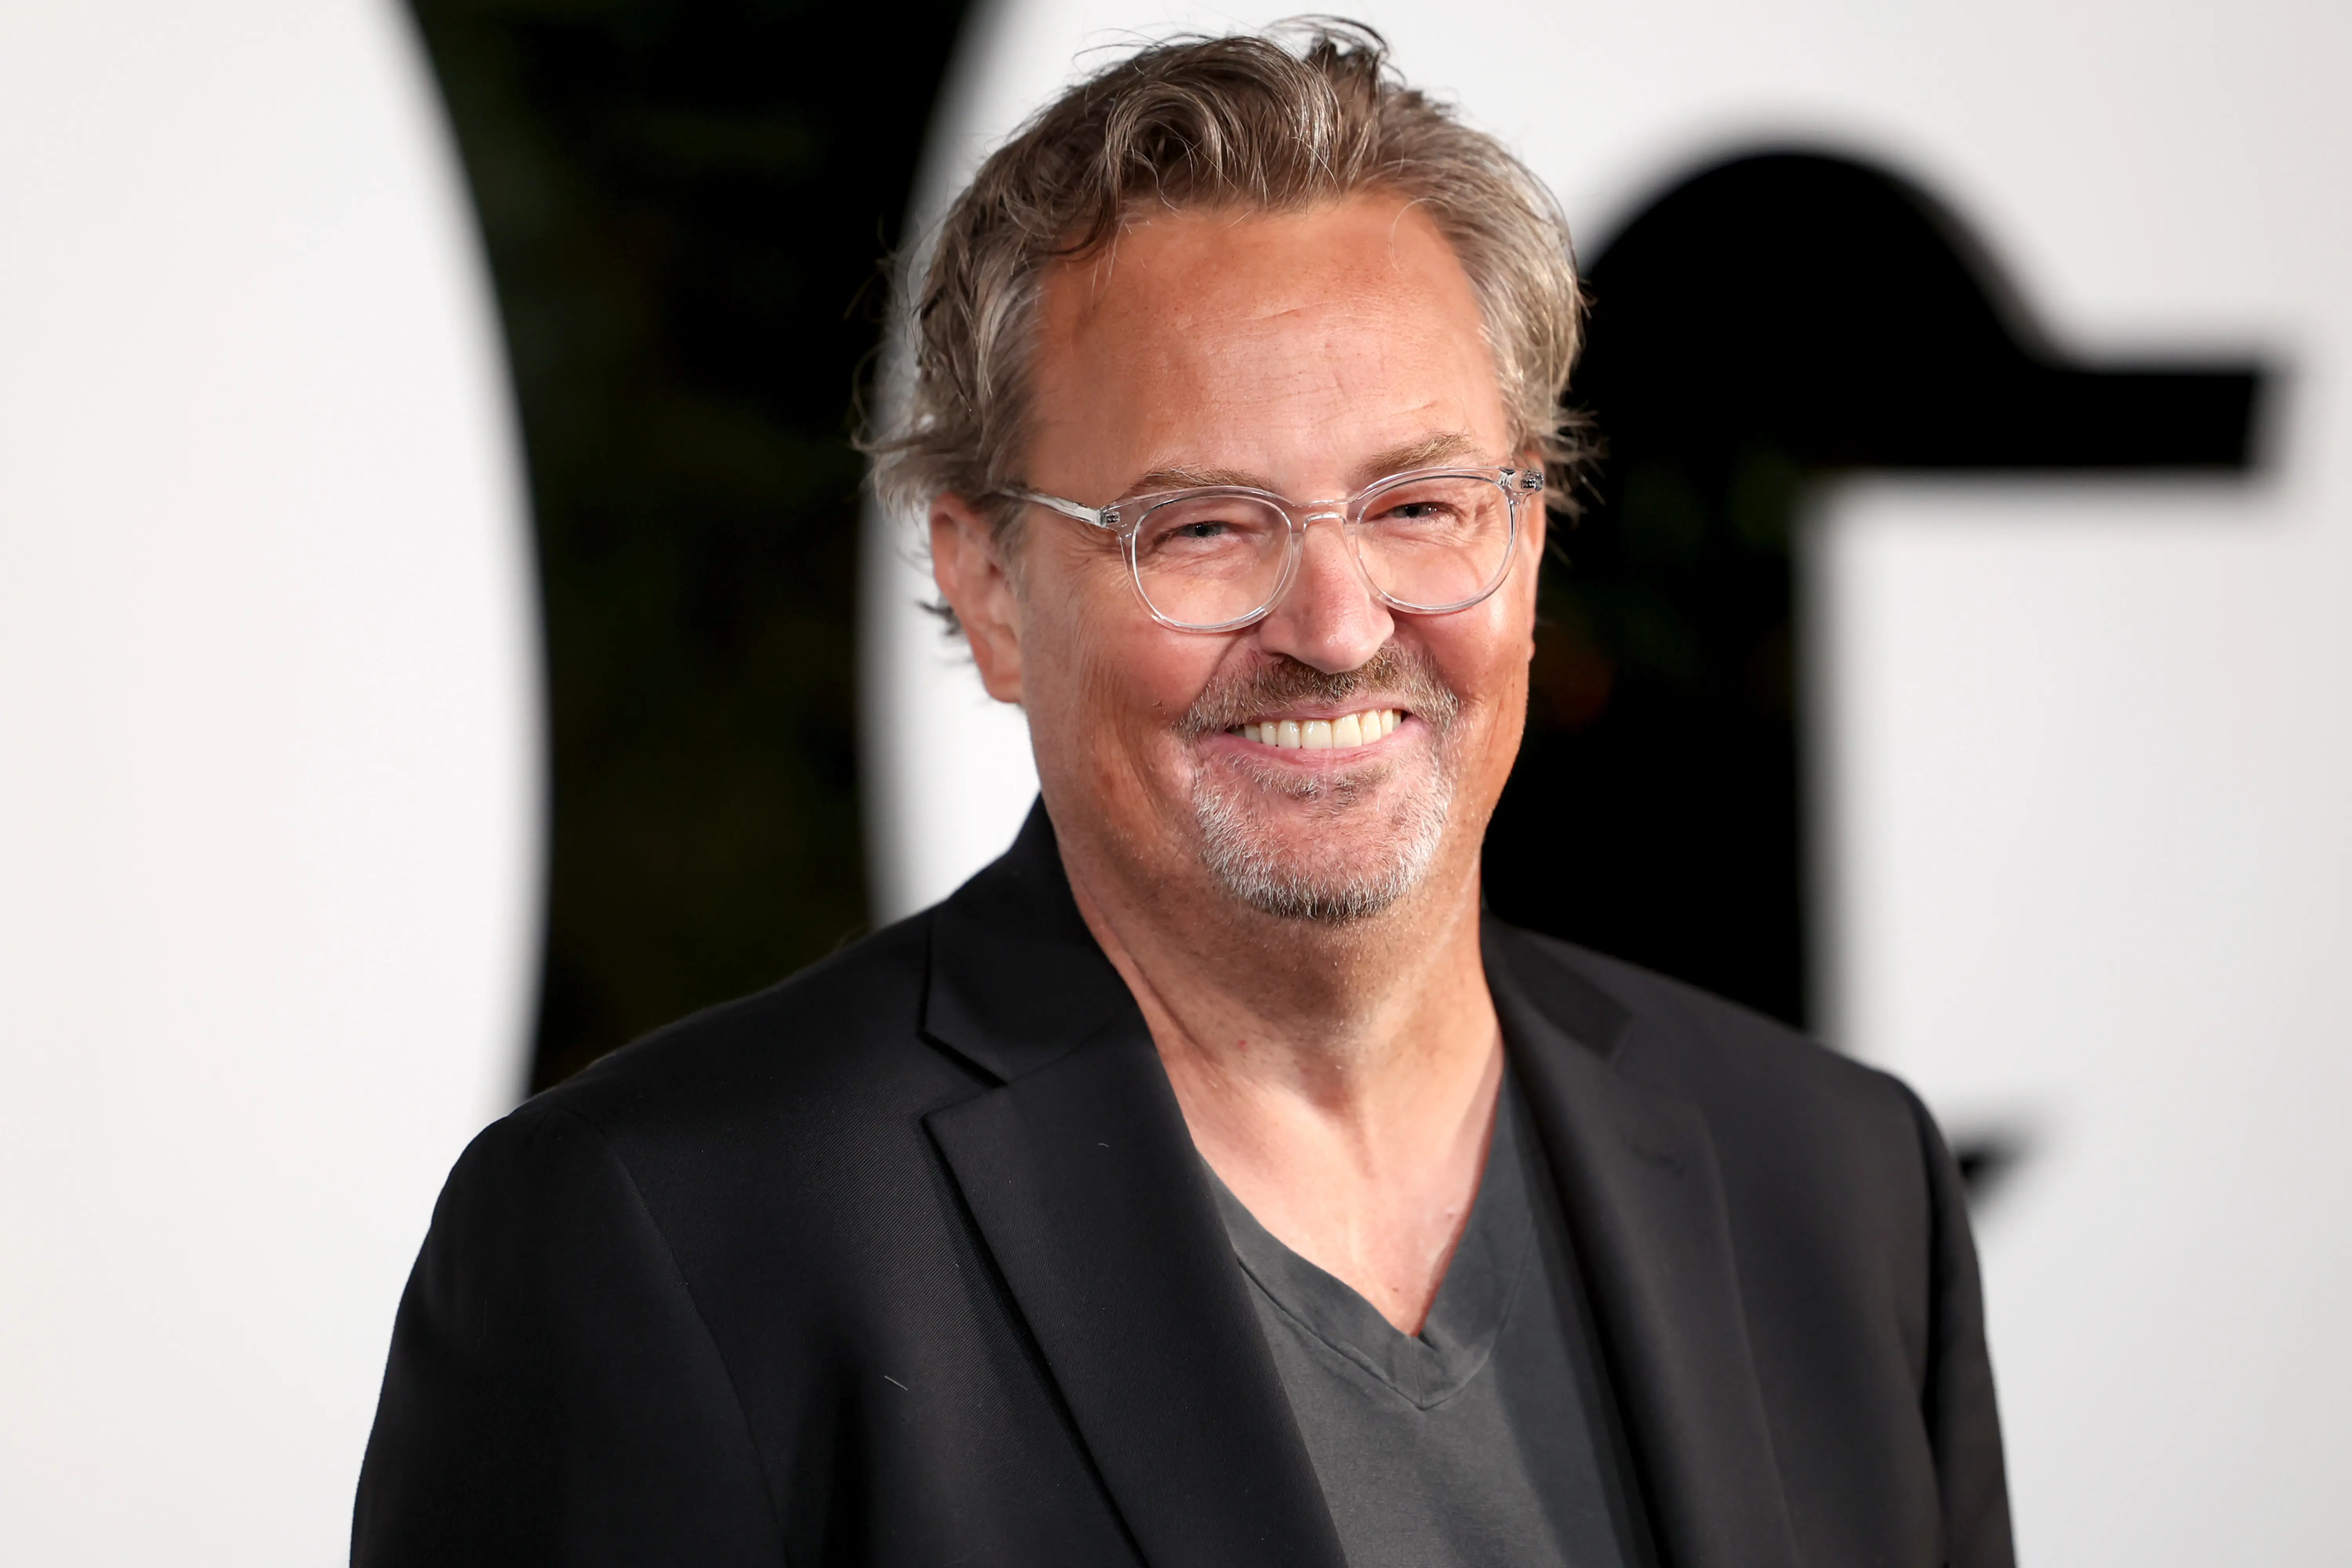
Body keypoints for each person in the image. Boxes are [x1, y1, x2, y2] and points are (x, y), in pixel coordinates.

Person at [353, 23, 2012, 1568]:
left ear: (1529, 530)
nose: (1340, 626)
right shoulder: (664, 1244)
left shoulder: (1837, 1186)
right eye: (1203, 528)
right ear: (989, 585)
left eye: (1421, 506)